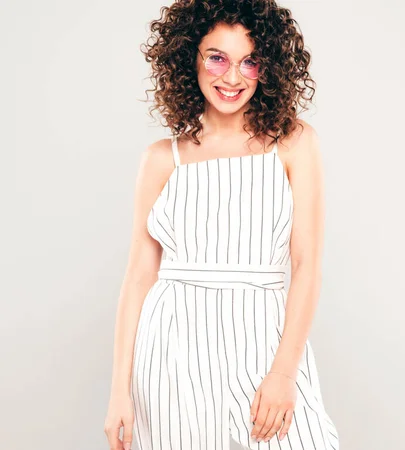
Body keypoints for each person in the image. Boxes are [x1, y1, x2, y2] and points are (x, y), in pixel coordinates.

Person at [104, 1, 340, 449]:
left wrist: (284, 373)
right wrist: (119, 391)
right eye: (217, 57)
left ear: (267, 68)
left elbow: (307, 266)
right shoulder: (161, 159)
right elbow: (138, 279)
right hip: (170, 355)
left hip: (264, 346)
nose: (232, 77)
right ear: (188, 57)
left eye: (249, 61)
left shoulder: (293, 142)